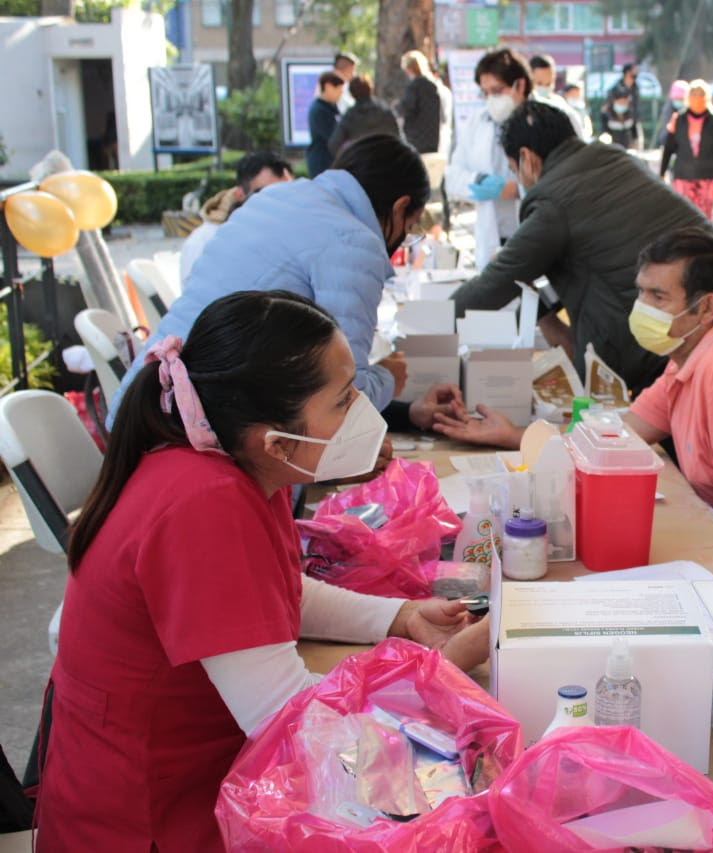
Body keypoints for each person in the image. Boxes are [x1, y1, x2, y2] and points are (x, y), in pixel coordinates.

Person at [35, 290, 490, 849]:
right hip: (153, 817)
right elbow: (289, 721)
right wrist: (441, 673)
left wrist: (400, 617)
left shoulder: (241, 465)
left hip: (198, 770)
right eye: (344, 399)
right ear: (275, 439)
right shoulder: (203, 503)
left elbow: (271, 592)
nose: (362, 414)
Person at [436, 229, 713, 550]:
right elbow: (613, 436)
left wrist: (702, 558)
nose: (641, 306)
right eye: (641, 292)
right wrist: (514, 435)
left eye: (657, 296)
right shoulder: (691, 357)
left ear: (706, 308)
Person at [449, 101, 713, 395]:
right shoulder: (612, 159)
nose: (519, 179)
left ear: (527, 158)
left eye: (513, 169)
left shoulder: (554, 199)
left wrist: (426, 325)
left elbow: (495, 283)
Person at [115, 135, 432, 427]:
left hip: (142, 406)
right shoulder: (353, 240)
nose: (404, 238)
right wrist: (388, 378)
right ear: (401, 206)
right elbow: (346, 396)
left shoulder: (278, 196)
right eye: (411, 227)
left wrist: (406, 411)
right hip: (195, 431)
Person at [445, 48, 578, 267]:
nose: (490, 99)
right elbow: (453, 176)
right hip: (494, 236)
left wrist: (520, 190)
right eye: (484, 93)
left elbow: (571, 178)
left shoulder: (555, 118)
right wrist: (480, 182)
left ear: (520, 85)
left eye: (496, 91)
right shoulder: (478, 121)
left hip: (544, 235)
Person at [179, 151, 293, 284]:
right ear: (239, 195)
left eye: (289, 193)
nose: (280, 204)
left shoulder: (297, 234)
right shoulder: (204, 242)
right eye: (266, 194)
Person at [660, 80, 713, 220]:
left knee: (705, 216)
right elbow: (668, 148)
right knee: (684, 215)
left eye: (701, 94)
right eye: (694, 93)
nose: (697, 97)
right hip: (683, 175)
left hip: (709, 174)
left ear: (707, 97)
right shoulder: (678, 120)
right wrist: (662, 172)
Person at [328, 75, 401, 159]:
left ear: (352, 93)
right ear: (371, 89)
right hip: (385, 160)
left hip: (362, 163)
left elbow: (334, 145)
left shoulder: (349, 116)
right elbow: (398, 138)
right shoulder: (385, 111)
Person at [398, 50, 451, 160]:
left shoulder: (415, 86)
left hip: (416, 139)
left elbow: (407, 108)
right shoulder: (434, 85)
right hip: (435, 137)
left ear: (409, 69)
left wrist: (397, 106)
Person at [528, 54, 591, 140]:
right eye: (539, 83)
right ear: (529, 79)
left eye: (548, 84)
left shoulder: (560, 104)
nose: (544, 87)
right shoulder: (522, 108)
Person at [306, 71, 345, 177]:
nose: (341, 93)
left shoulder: (332, 108)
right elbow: (334, 137)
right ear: (328, 86)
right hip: (322, 162)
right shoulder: (319, 110)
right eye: (339, 89)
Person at [655, 79, 688, 148]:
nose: (678, 100)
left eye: (680, 99)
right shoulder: (668, 110)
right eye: (676, 98)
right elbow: (666, 129)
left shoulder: (688, 111)